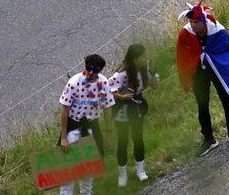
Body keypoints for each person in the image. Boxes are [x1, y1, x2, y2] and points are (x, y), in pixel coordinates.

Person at [175, 2, 229, 155]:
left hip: (218, 67)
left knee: (227, 101)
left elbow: (227, 48)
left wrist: (211, 56)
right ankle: (209, 139)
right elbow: (183, 55)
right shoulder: (185, 34)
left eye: (196, 22)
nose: (193, 25)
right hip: (198, 71)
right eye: (191, 22)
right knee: (202, 105)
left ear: (204, 21)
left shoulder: (217, 30)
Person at [56, 54, 114, 195]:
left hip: (92, 128)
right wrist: (64, 137)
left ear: (100, 70)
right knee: (68, 172)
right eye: (88, 68)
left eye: (94, 70)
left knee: (89, 171)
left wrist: (109, 133)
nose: (90, 72)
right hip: (73, 128)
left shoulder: (104, 83)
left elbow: (108, 108)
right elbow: (64, 111)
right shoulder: (74, 83)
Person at [109, 43, 155, 187]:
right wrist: (122, 97)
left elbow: (154, 86)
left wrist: (153, 72)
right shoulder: (121, 74)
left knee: (138, 138)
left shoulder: (144, 69)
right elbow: (109, 90)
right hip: (122, 111)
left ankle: (140, 170)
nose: (145, 58)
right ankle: (122, 175)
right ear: (135, 59)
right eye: (143, 56)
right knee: (123, 142)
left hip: (136, 109)